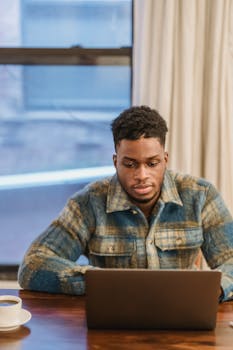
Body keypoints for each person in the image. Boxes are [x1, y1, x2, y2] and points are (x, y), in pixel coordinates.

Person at [18, 105, 233, 301]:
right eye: (130, 164)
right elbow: (32, 265)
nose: (142, 175)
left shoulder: (201, 196)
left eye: (152, 163)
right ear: (115, 162)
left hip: (184, 314)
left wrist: (212, 289)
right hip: (112, 320)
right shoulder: (88, 203)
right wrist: (102, 284)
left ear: (165, 160)